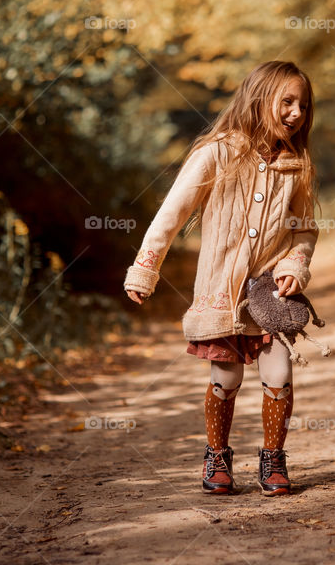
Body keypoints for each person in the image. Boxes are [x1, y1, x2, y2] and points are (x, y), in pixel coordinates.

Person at [124, 61, 319, 496]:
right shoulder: (216, 152)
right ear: (258, 97)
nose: (296, 113)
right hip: (221, 295)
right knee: (226, 379)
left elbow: (304, 227)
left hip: (270, 297)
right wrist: (145, 268)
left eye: (303, 106)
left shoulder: (297, 164)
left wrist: (294, 265)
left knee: (280, 375)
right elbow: (171, 216)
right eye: (286, 101)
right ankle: (217, 457)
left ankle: (273, 461)